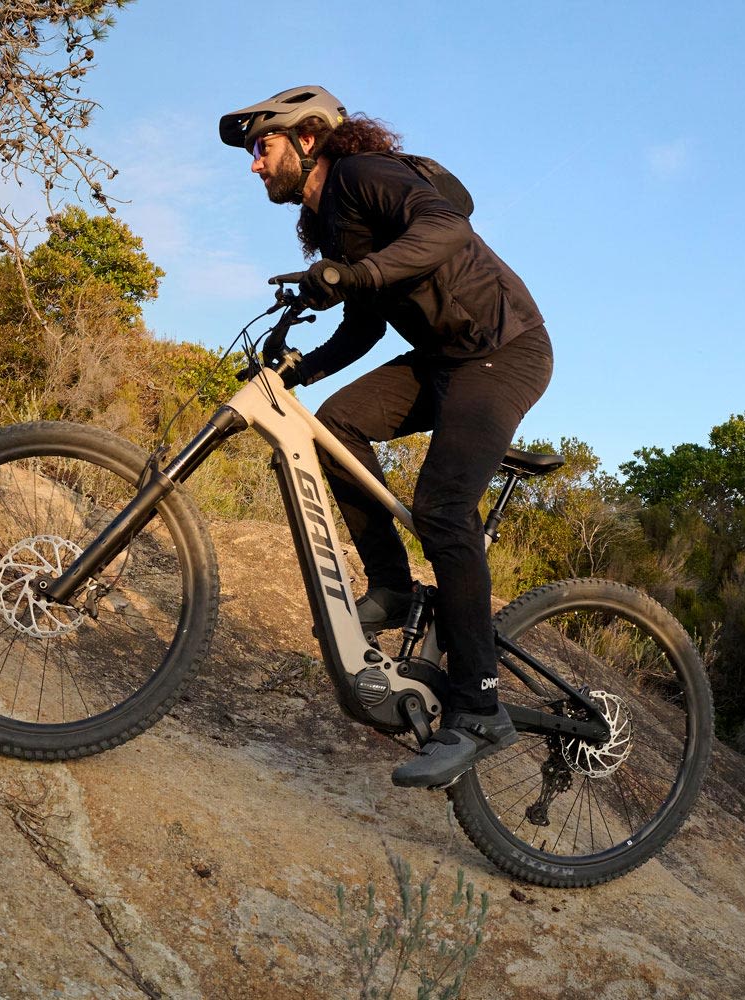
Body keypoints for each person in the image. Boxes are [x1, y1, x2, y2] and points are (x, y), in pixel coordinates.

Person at [219, 86, 555, 789]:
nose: (254, 165)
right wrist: (300, 367)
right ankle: (395, 589)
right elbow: (365, 326)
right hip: (442, 360)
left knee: (441, 508)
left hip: (502, 350)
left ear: (306, 137)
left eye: (261, 147)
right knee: (337, 424)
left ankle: (480, 709)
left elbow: (448, 232)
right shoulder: (331, 220)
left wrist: (354, 273)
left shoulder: (364, 175)